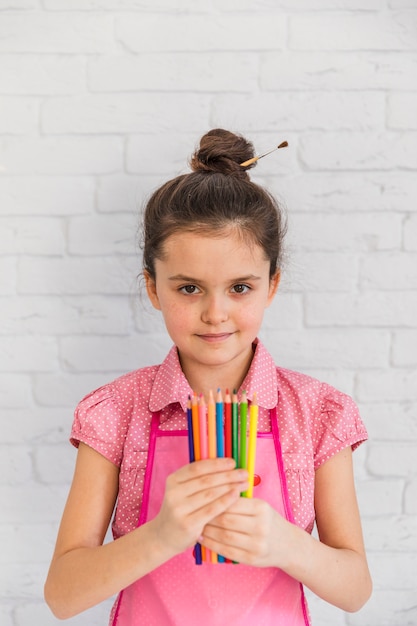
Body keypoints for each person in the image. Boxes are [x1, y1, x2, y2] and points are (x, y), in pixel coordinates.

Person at [44, 128, 372, 625]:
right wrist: (161, 535)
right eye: (190, 288)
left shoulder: (319, 414)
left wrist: (288, 545)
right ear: (153, 288)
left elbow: (355, 591)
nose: (215, 314)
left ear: (272, 285)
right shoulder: (115, 413)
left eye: (240, 287)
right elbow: (62, 596)